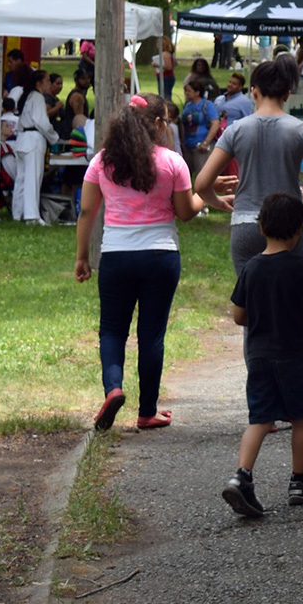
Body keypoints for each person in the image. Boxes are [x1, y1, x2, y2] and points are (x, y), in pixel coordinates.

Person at [75, 93, 208, 431]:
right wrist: (203, 195)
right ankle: (147, 410)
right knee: (151, 334)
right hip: (161, 256)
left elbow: (88, 211)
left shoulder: (103, 161)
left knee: (112, 329)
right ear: (160, 124)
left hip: (117, 256)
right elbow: (185, 212)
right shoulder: (172, 161)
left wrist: (81, 257)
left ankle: (113, 388)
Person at [222, 193, 303, 517]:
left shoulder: (252, 268)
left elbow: (239, 316)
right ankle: (298, 481)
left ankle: (242, 475)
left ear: (261, 227)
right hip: (294, 355)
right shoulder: (301, 266)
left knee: (260, 419)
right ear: (299, 231)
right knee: (301, 418)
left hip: (258, 356)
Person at [194, 57, 303, 277]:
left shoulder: (236, 130)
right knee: (290, 297)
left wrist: (217, 202)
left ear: (254, 91)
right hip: (289, 226)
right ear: (287, 94)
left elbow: (201, 183)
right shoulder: (302, 130)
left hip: (246, 222)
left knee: (248, 298)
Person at [13, 70, 59, 225]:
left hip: (22, 139)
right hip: (33, 140)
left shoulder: (26, 96)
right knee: (33, 178)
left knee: (22, 178)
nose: (49, 83)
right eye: (46, 80)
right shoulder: (38, 97)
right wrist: (54, 138)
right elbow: (42, 122)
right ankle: (32, 216)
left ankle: (17, 212)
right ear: (39, 82)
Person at [180, 79, 220, 177]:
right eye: (185, 91)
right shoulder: (188, 105)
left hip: (200, 146)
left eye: (189, 91)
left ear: (197, 92)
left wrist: (206, 142)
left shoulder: (207, 105)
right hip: (187, 144)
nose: (186, 93)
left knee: (201, 174)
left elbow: (215, 124)